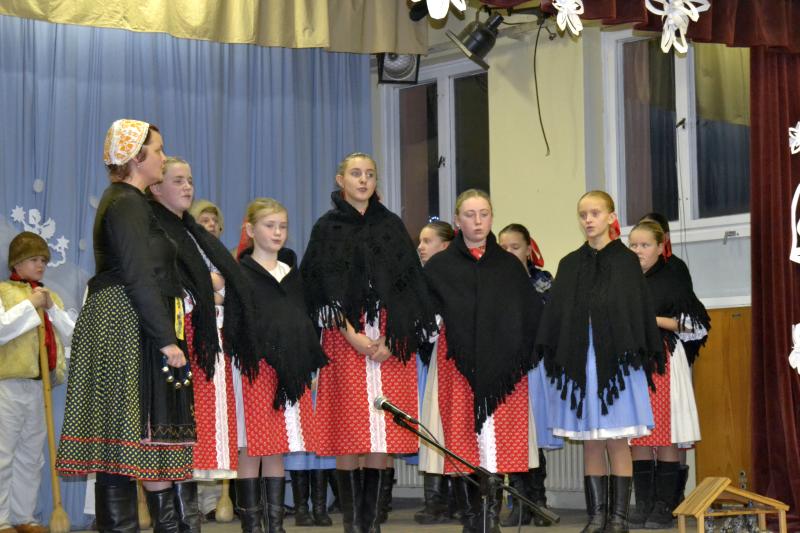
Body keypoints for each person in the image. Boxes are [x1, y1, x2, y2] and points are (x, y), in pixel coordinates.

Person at [56, 119, 195, 533]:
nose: (164, 157)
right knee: (120, 439)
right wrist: (166, 340)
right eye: (159, 150)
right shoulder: (126, 203)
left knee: (121, 442)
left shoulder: (128, 201)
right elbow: (137, 274)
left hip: (127, 318)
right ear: (136, 158)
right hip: (122, 320)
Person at [300, 152, 437, 533]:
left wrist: (394, 338)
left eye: (370, 174)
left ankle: (371, 523)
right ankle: (353, 524)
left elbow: (411, 289)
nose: (363, 180)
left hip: (391, 338)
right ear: (340, 179)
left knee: (382, 433)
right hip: (345, 336)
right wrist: (352, 335)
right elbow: (317, 289)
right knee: (349, 433)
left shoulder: (391, 226)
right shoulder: (327, 228)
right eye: (356, 174)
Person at [536, 191, 664, 533]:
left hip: (617, 365)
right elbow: (559, 314)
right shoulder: (570, 264)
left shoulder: (625, 261)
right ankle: (597, 517)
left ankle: (618, 518)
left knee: (617, 441)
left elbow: (635, 311)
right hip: (581, 362)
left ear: (611, 217)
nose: (588, 219)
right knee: (591, 441)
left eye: (595, 213)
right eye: (583, 214)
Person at [424, 190, 542, 533]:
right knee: (462, 444)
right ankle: (473, 520)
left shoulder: (508, 265)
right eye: (470, 215)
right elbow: (425, 315)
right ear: (457, 220)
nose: (478, 222)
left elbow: (528, 314)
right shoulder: (441, 266)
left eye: (484, 214)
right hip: (458, 366)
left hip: (503, 370)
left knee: (496, 445)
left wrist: (519, 350)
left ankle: (491, 520)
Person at [149, 158, 258, 532]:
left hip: (207, 345)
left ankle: (189, 523)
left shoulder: (195, 235)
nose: (187, 187)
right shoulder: (156, 232)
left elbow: (228, 281)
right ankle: (177, 523)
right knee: (175, 441)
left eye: (190, 180)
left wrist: (218, 288)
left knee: (193, 443)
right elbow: (166, 286)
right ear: (156, 187)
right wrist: (208, 287)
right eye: (178, 180)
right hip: (178, 344)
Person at [235, 198, 328, 533]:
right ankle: (252, 526)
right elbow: (237, 325)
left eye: (283, 226)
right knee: (251, 448)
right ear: (250, 229)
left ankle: (275, 526)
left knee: (276, 447)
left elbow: (300, 322)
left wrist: (306, 365)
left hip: (287, 370)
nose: (277, 232)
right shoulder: (241, 273)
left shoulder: (291, 275)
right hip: (254, 369)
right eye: (269, 225)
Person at [627, 221, 709, 529]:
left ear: (661, 247)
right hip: (632, 364)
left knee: (665, 434)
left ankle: (665, 504)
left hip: (664, 360)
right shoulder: (625, 280)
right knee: (637, 435)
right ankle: (644, 503)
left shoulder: (672, 278)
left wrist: (653, 320)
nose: (638, 251)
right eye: (633, 245)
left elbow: (693, 324)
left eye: (645, 245)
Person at [0, 232, 74, 533]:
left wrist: (51, 309)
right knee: (3, 453)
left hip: (38, 387)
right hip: (8, 384)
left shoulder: (49, 296)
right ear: (17, 263)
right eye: (34, 259)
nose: (41, 265)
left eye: (43, 259)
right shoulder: (4, 292)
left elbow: (72, 335)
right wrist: (29, 305)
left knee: (32, 456)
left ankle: (24, 517)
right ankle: (1, 519)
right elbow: (2, 330)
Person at [497, 223, 560, 527]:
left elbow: (550, 321)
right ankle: (520, 503)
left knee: (533, 436)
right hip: (504, 370)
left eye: (515, 247)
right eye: (503, 248)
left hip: (534, 368)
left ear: (528, 249)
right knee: (512, 436)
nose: (509, 253)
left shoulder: (542, 282)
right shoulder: (490, 281)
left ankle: (539, 502)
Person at [413, 220, 455, 525]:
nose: (420, 247)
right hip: (429, 362)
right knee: (432, 426)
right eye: (420, 241)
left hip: (452, 362)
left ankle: (456, 500)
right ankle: (435, 501)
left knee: (453, 429)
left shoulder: (453, 279)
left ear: (445, 246)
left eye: (427, 241)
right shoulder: (421, 279)